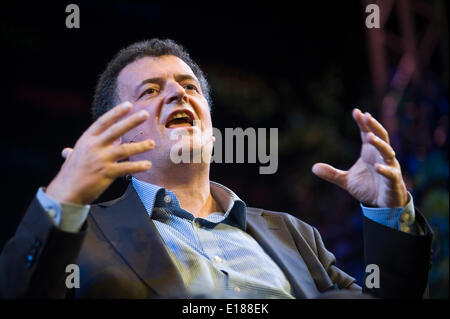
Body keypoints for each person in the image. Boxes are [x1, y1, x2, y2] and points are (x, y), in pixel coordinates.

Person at [0, 39, 432, 299]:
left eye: (189, 87)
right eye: (151, 90)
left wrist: (388, 213)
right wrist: (64, 196)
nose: (177, 94)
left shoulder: (295, 236)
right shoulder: (81, 236)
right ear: (117, 135)